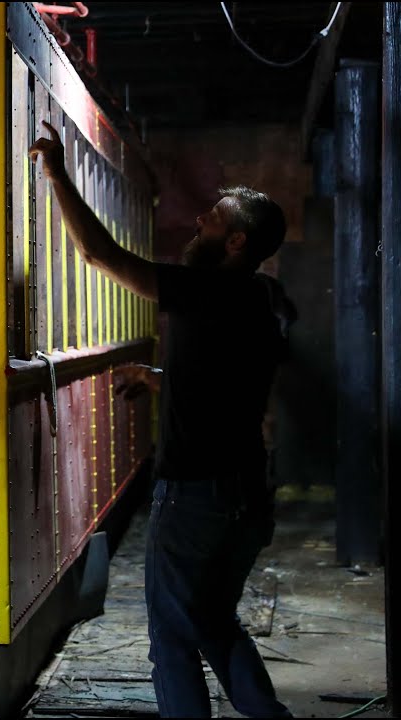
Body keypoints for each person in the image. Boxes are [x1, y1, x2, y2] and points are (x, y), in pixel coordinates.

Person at [30, 120, 295, 718]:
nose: (201, 220)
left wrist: (57, 174)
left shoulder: (201, 290)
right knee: (214, 623)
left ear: (235, 243)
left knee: (173, 639)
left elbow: (97, 253)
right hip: (247, 492)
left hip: (196, 495)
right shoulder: (256, 299)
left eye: (214, 217)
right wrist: (156, 381)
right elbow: (225, 379)